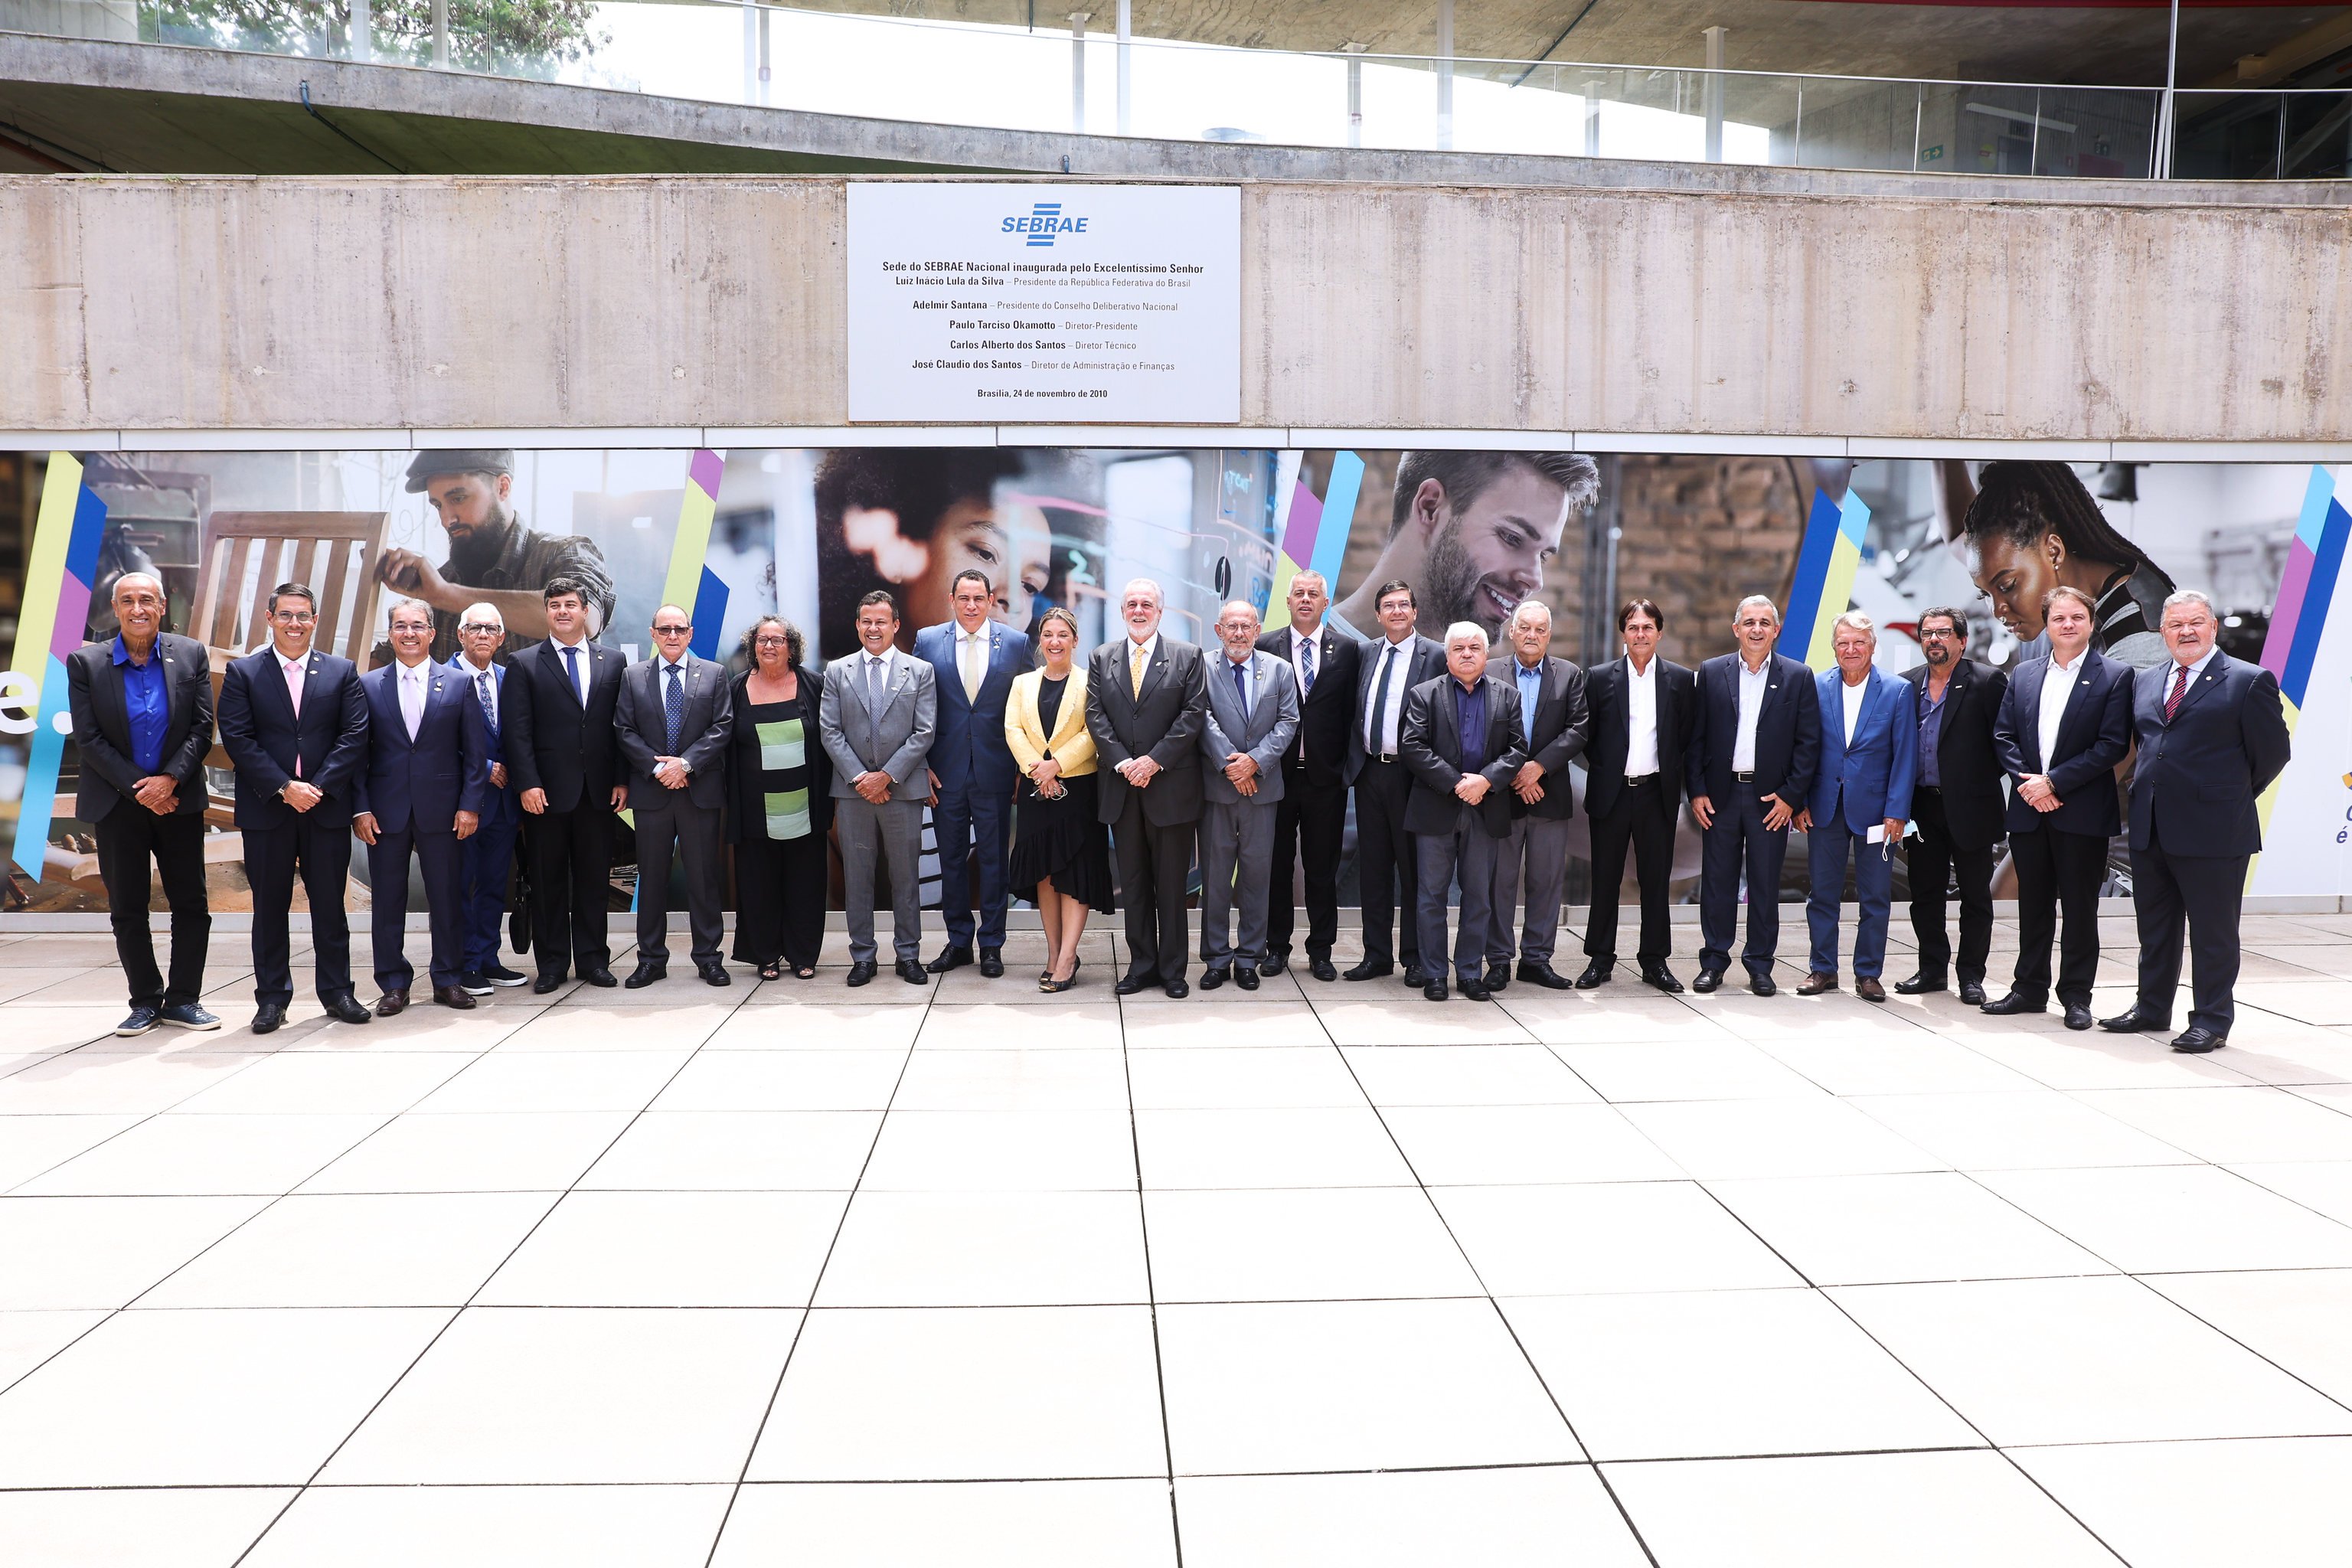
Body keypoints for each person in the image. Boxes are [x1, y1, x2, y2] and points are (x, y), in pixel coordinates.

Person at [2102, 590, 2291, 1053]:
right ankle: (2151, 1008)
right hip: (2150, 829)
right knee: (2156, 928)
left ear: (2212, 627)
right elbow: (2149, 746)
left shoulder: (2248, 680)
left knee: (2213, 933)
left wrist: (2228, 796)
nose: (2186, 632)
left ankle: (2211, 1020)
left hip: (2215, 830)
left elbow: (2273, 753)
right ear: (2162, 632)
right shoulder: (2145, 682)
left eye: (2195, 623)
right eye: (2175, 625)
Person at [66, 572, 220, 1037]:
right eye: (128, 601)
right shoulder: (86, 662)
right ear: (115, 609)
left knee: (190, 903)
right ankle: (146, 1001)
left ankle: (184, 1000)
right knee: (128, 906)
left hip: (178, 801)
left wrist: (169, 780)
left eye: (147, 600)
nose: (138, 609)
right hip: (119, 804)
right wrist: (142, 788)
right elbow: (88, 740)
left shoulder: (190, 653)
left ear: (162, 606)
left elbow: (202, 727)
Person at [216, 580, 373, 1034]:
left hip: (324, 809)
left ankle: (338, 992)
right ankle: (271, 999)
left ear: (315, 620)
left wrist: (317, 788)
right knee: (269, 907)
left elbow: (354, 736)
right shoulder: (244, 673)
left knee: (330, 905)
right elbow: (238, 740)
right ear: (270, 619)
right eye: (285, 615)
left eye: (303, 615)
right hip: (268, 809)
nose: (295, 624)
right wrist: (286, 787)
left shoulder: (341, 672)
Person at [1986, 586, 2133, 1030]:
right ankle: (2028, 989)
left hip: (2081, 810)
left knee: (2079, 909)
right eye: (2058, 619)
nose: (2067, 625)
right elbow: (2003, 737)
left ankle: (2075, 996)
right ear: (2047, 625)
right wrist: (2030, 785)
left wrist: (2054, 782)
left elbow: (2111, 745)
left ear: (2092, 623)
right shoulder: (2024, 674)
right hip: (2031, 810)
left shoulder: (2116, 675)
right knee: (2033, 906)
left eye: (2076, 618)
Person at [351, 598, 490, 1015]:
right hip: (385, 811)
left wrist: (470, 806)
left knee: (447, 899)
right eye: (400, 626)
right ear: (390, 633)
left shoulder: (460, 684)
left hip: (445, 812)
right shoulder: (368, 684)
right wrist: (360, 808)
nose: (408, 633)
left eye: (417, 626)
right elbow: (357, 754)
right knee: (388, 902)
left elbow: (475, 752)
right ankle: (393, 983)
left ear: (432, 633)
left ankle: (448, 978)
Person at [1687, 595, 1818, 997]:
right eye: (1749, 622)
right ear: (1736, 629)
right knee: (1717, 883)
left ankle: (1761, 965)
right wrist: (1696, 791)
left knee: (1764, 885)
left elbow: (1808, 743)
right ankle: (1713, 962)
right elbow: (1695, 737)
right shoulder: (1711, 672)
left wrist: (1791, 797)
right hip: (1721, 796)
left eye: (1765, 622)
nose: (1756, 629)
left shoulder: (1798, 676)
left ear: (1776, 630)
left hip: (1770, 801)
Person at [504, 577, 630, 993]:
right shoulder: (523, 663)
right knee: (548, 881)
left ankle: (594, 961)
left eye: (570, 605)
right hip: (545, 795)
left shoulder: (612, 661)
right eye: (554, 605)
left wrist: (620, 780)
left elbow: (621, 728)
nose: (562, 611)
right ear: (547, 612)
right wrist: (527, 783)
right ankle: (554, 964)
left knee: (595, 881)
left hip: (598, 793)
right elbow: (517, 733)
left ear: (585, 611)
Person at [1328, 451, 1600, 644]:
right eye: (1512, 538)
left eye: (1542, 556)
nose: (1534, 580)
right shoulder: (1298, 663)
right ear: (1430, 507)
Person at [1088, 578, 1210, 998]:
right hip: (1122, 790)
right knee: (1135, 885)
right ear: (1123, 611)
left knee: (1173, 887)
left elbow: (1192, 716)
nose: (1139, 611)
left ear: (1161, 611)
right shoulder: (1102, 658)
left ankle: (1174, 970)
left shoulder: (1188, 656)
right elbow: (1096, 716)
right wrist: (1124, 762)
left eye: (1147, 604)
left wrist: (1154, 761)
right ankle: (1141, 966)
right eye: (1132, 605)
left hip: (1170, 789)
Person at [377, 450, 617, 663]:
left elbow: (580, 621)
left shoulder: (564, 553)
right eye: (438, 505)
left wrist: (445, 595)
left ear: (503, 487)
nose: (446, 519)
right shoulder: (442, 581)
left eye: (458, 499)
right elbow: (388, 664)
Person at [811, 449, 1044, 658]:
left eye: (1030, 586)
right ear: (905, 550)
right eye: (985, 553)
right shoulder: (834, 686)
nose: (1013, 597)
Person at [916, 567, 1034, 978]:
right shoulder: (928, 640)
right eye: (963, 598)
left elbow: (1028, 709)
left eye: (978, 599)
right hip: (944, 773)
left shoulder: (1016, 644)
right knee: (950, 859)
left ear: (989, 600)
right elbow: (918, 707)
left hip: (997, 771)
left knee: (993, 860)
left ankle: (992, 946)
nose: (971, 605)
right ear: (952, 600)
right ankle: (959, 942)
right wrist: (921, 765)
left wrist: (1024, 766)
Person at [1400, 623, 1527, 1001]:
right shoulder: (1424, 694)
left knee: (1479, 897)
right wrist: (1458, 782)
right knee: (1431, 896)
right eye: (1460, 648)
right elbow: (1413, 746)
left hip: (1484, 810)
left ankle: (1470, 972)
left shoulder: (1508, 696)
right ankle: (1435, 973)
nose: (1468, 654)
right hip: (1436, 808)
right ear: (1447, 655)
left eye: (1475, 647)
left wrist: (1485, 782)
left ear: (1486, 655)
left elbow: (1518, 749)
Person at [1795, 612, 1916, 1003]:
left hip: (1878, 812)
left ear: (1872, 646)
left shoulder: (1896, 691)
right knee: (1823, 894)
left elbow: (1905, 758)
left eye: (1859, 642)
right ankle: (1822, 970)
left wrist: (1897, 812)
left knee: (1875, 896)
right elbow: (1804, 749)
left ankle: (1868, 973)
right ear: (1834, 647)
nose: (1851, 649)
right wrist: (1800, 803)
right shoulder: (1815, 687)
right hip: (1824, 807)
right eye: (1843, 642)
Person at [819, 590, 938, 986]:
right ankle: (863, 957)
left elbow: (924, 732)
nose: (874, 628)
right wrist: (862, 779)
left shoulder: (919, 671)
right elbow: (830, 731)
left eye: (881, 621)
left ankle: (909, 955)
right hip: (853, 793)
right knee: (858, 876)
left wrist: (886, 776)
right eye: (867, 621)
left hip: (902, 790)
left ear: (896, 625)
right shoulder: (837, 671)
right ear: (858, 625)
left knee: (906, 877)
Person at [1578, 598, 1697, 993]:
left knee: (1655, 881)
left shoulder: (1680, 680)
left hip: (1656, 794)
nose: (1640, 634)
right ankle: (1599, 959)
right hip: (1611, 793)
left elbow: (1685, 739)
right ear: (1623, 633)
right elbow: (1587, 738)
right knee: (1606, 879)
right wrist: (1611, 767)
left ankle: (1654, 961)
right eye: (1633, 627)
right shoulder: (1597, 678)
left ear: (1659, 633)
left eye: (1648, 627)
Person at [615, 605, 736, 988]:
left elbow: (723, 727)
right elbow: (623, 730)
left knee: (704, 879)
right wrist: (659, 769)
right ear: (652, 633)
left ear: (690, 634)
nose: (671, 635)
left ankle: (708, 958)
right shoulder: (632, 676)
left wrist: (684, 765)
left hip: (698, 791)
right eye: (664, 629)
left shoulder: (715, 674)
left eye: (679, 629)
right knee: (651, 879)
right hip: (652, 793)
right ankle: (651, 959)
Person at [1896, 606, 2009, 1004]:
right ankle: (1931, 970)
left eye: (1943, 633)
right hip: (1922, 808)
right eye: (1927, 633)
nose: (1934, 640)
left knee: (1975, 896)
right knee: (1925, 894)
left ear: (1961, 640)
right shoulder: (1905, 685)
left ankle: (1971, 975)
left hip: (1971, 807)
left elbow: (2005, 745)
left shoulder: (1986, 681)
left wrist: (1971, 782)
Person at [1962, 460, 2174, 668]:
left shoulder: (2139, 640)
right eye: (1985, 595)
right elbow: (1957, 536)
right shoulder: (2042, 597)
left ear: (2054, 552)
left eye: (2007, 586)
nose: (1997, 611)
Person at [1254, 570, 1361, 981]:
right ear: (1288, 599)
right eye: (1298, 593)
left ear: (1325, 601)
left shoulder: (1348, 649)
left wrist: (1344, 772)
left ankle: (1320, 950)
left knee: (1322, 868)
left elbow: (1353, 713)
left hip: (1325, 778)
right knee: (1277, 865)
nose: (1304, 600)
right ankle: (1276, 947)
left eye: (1312, 594)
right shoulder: (1266, 646)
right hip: (1278, 777)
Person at [1483, 600, 1590, 991]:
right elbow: (1480, 729)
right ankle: (1497, 960)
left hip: (1549, 793)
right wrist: (1513, 773)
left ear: (1549, 634)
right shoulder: (1490, 671)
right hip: (1502, 794)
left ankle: (1536, 959)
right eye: (1524, 628)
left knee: (1546, 882)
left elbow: (1578, 730)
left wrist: (1537, 768)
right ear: (1512, 631)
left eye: (1540, 629)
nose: (1532, 635)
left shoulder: (1569, 675)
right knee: (1501, 881)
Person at [1344, 580, 1447, 985]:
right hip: (1370, 772)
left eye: (1404, 605)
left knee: (1414, 871)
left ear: (1415, 612)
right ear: (1378, 614)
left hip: (1413, 776)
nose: (1397, 612)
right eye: (1389, 606)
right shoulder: (1365, 652)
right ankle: (1377, 955)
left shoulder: (1436, 655)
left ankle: (1415, 957)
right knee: (1373, 869)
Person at [1007, 606, 1115, 991]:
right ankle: (1053, 953)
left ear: (1074, 640)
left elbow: (1093, 732)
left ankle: (1068, 957)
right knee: (1046, 873)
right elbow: (1013, 728)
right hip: (1037, 790)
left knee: (1075, 873)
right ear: (1041, 640)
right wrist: (1038, 769)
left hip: (1078, 791)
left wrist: (1058, 765)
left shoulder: (1090, 683)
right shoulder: (1023, 684)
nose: (1055, 642)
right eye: (1048, 635)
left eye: (1062, 635)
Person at [1197, 600, 1301, 991]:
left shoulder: (1280, 670)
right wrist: (1232, 765)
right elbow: (1200, 717)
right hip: (1218, 792)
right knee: (1216, 879)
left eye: (1246, 626)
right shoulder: (1201, 667)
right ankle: (1216, 958)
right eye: (1231, 626)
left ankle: (1248, 958)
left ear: (1258, 631)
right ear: (1218, 630)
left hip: (1262, 790)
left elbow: (1289, 720)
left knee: (1258, 878)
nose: (1239, 633)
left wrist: (1254, 763)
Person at [727, 616, 833, 982]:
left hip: (805, 806)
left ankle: (803, 955)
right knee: (759, 885)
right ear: (752, 646)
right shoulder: (736, 688)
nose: (768, 646)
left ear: (792, 647)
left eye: (777, 639)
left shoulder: (814, 685)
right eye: (761, 639)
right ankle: (767, 955)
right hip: (755, 809)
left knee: (805, 883)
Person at [446, 603, 528, 994]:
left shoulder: (510, 678)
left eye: (491, 629)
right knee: (460, 884)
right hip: (461, 802)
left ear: (501, 638)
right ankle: (463, 963)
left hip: (504, 803)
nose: (483, 634)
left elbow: (522, 735)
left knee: (495, 883)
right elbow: (432, 741)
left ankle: (488, 958)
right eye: (474, 628)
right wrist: (485, 764)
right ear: (460, 635)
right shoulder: (440, 678)